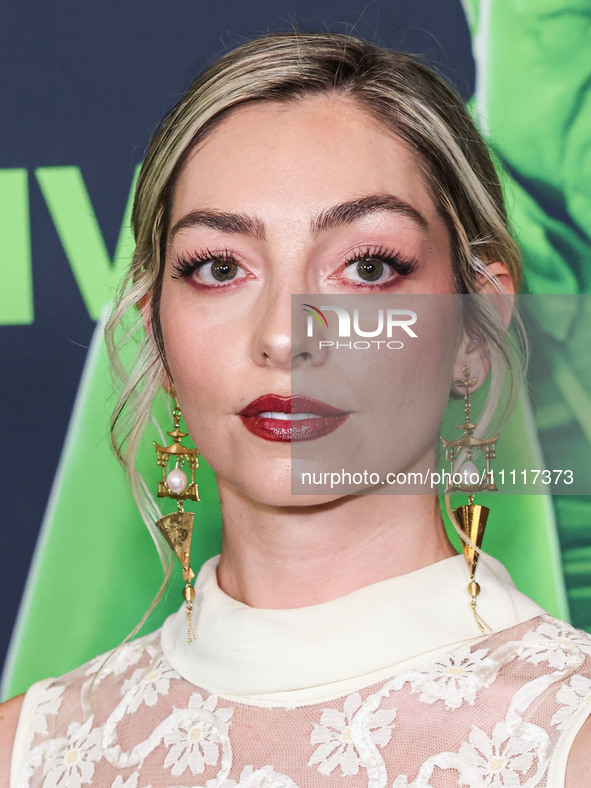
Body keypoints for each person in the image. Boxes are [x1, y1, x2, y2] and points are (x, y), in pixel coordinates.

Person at [2, 31, 590, 787]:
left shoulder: (566, 738)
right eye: (219, 268)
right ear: (156, 329)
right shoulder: (29, 751)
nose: (284, 333)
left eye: (367, 267)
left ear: (476, 329)